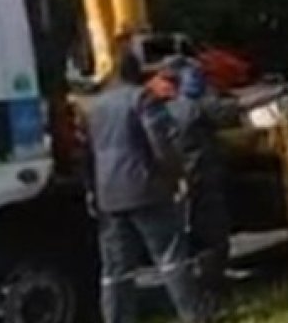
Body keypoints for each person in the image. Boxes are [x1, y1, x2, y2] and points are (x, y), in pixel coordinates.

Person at [82, 47, 210, 323]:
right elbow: (161, 144)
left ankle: (117, 318)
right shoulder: (143, 99)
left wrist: (92, 190)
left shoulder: (94, 107)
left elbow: (87, 154)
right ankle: (194, 316)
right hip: (146, 189)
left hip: (109, 196)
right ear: (137, 72)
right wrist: (176, 176)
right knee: (171, 257)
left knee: (116, 269)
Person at [159, 57, 241, 312]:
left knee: (189, 240)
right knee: (214, 239)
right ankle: (212, 297)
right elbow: (226, 112)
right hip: (202, 179)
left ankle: (201, 293)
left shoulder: (161, 109)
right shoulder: (193, 107)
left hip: (180, 183)